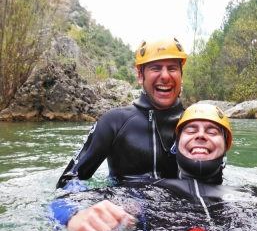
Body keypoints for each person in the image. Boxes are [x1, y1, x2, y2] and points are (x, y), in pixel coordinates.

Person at [49, 104, 257, 231]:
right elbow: (61, 203)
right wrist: (73, 217)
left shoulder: (253, 195)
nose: (201, 135)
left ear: (226, 147)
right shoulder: (147, 191)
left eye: (212, 131)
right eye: (191, 130)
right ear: (176, 147)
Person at [56, 37, 187, 191]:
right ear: (140, 76)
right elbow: (67, 181)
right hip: (125, 208)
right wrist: (87, 208)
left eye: (172, 68)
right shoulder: (113, 122)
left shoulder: (196, 126)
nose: (165, 76)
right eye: (156, 68)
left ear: (181, 75)